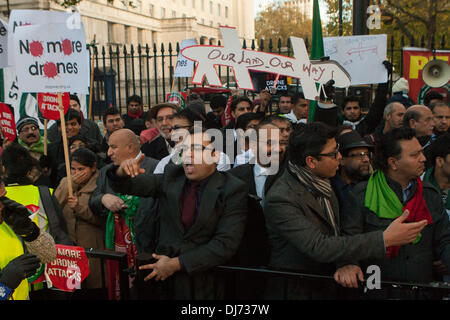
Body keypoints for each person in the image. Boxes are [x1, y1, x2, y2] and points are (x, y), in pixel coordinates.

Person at [263, 122, 427, 299]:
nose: (340, 157)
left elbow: (337, 233)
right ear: (311, 161)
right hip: (297, 290)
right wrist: (384, 239)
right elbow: (319, 246)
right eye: (333, 154)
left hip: (327, 287)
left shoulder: (322, 181)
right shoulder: (282, 198)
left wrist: (346, 262)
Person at [107, 128, 248, 299]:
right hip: (163, 283)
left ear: (215, 156)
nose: (188, 156)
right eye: (184, 150)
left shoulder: (232, 189)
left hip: (203, 282)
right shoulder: (172, 176)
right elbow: (130, 185)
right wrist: (122, 172)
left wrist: (176, 264)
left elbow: (225, 244)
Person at [338, 128, 450, 299]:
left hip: (421, 292)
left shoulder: (430, 194)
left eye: (421, 152)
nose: (424, 158)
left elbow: (444, 240)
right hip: (377, 291)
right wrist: (348, 264)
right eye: (415, 155)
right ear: (393, 163)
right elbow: (348, 240)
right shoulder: (362, 195)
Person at [88, 128, 158, 300]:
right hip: (117, 251)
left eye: (113, 147)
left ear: (130, 147)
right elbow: (93, 200)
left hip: (146, 250)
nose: (109, 152)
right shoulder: (106, 171)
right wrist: (104, 198)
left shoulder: (156, 167)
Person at [228, 119, 284, 299]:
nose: (277, 148)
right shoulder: (234, 177)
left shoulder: (292, 176)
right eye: (269, 143)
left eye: (281, 142)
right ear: (253, 145)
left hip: (282, 264)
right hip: (245, 263)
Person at [1, 143, 72, 245]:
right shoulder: (45, 194)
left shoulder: (2, 195)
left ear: (3, 168)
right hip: (41, 257)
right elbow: (60, 228)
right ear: (29, 171)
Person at [54, 148, 105, 290]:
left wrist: (79, 208)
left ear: (93, 167)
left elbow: (101, 219)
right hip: (71, 247)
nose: (76, 173)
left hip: (93, 247)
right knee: (74, 289)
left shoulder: (101, 184)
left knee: (94, 288)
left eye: (81, 169)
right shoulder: (66, 182)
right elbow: (54, 206)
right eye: (73, 169)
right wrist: (70, 184)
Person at [0, 190, 57, 300]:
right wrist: (3, 285)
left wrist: (30, 232)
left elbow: (49, 255)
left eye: (2, 198)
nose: (1, 206)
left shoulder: (8, 221)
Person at [153, 109, 231, 174]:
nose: (173, 134)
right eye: (172, 129)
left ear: (195, 128)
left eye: (177, 128)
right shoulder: (166, 162)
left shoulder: (219, 158)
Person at [331, 130, 374, 210]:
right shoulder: (330, 187)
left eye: (367, 154)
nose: (366, 159)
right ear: (342, 160)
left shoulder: (372, 184)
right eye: (359, 155)